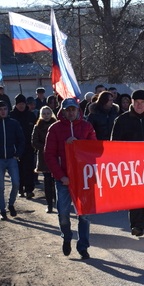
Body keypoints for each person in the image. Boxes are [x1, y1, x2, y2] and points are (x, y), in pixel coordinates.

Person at [44, 98, 97, 258]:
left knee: (84, 215)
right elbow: (49, 155)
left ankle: (83, 247)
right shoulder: (55, 128)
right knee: (63, 213)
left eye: (73, 109)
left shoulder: (87, 127)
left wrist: (79, 144)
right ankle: (66, 237)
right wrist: (61, 176)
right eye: (68, 110)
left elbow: (95, 150)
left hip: (83, 179)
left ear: (78, 110)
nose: (71, 112)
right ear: (63, 111)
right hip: (64, 179)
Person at [112, 89, 144, 236]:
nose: (139, 105)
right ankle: (137, 226)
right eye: (136, 102)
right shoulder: (122, 120)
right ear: (131, 103)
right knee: (134, 195)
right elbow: (114, 144)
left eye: (142, 102)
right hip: (130, 165)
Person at [0, 101, 25, 220]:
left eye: (5, 109)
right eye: (0, 109)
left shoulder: (14, 123)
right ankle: (2, 210)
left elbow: (21, 140)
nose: (3, 111)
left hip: (12, 159)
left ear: (8, 110)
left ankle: (11, 203)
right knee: (1, 186)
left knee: (16, 183)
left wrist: (17, 154)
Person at [10, 94, 38, 199]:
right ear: (16, 105)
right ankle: (20, 189)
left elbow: (35, 131)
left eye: (22, 104)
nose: (21, 106)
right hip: (16, 147)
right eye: (19, 104)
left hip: (29, 146)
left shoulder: (30, 115)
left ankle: (29, 190)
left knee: (29, 168)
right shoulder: (11, 115)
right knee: (18, 169)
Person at [32, 106, 58, 213]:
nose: (46, 115)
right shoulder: (37, 127)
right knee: (47, 181)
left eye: (48, 113)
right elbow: (34, 142)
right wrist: (46, 148)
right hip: (44, 157)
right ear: (41, 115)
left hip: (56, 157)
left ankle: (58, 202)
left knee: (56, 181)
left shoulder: (57, 125)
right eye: (44, 114)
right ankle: (49, 205)